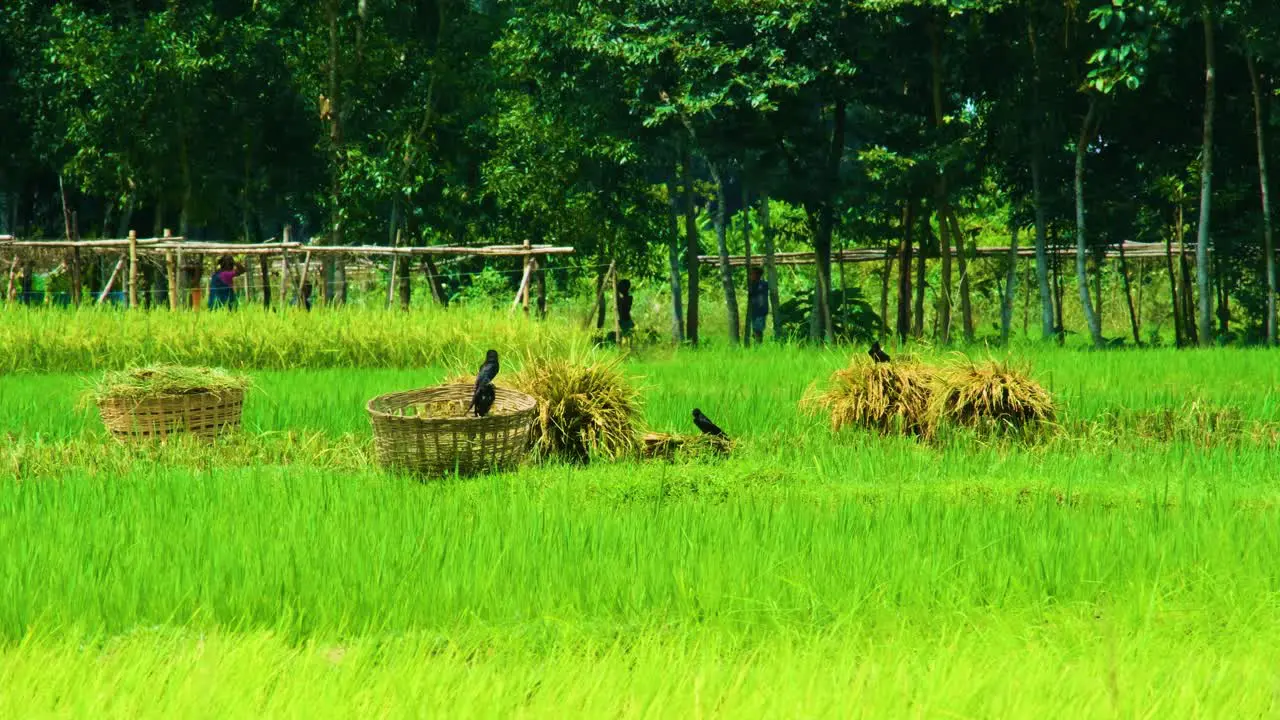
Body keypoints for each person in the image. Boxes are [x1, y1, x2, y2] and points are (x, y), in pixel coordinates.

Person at [747, 267, 769, 343]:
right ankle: (757, 345)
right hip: (754, 311)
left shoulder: (763, 284)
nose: (750, 276)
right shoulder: (752, 285)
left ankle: (758, 346)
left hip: (760, 310)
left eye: (752, 274)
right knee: (755, 329)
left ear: (757, 275)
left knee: (758, 330)